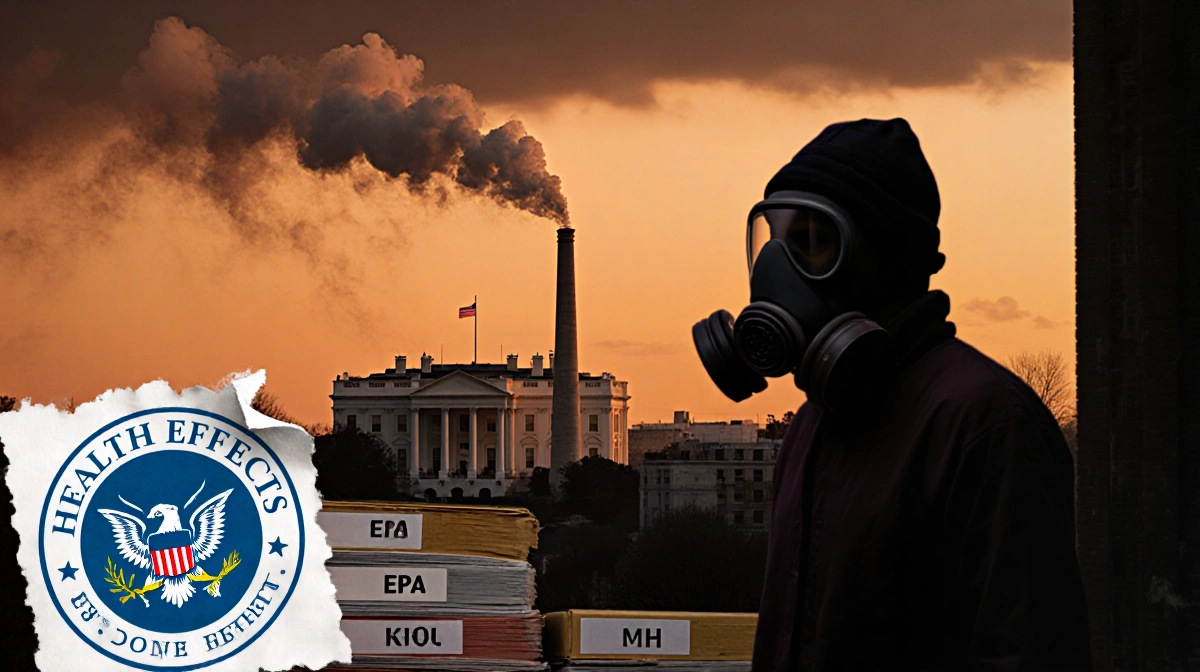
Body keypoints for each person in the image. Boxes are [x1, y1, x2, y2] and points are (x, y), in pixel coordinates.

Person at [692, 118, 1091, 671]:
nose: (776, 270)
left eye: (811, 241)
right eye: (773, 241)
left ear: (886, 258)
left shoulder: (986, 423)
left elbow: (1026, 651)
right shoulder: (815, 421)